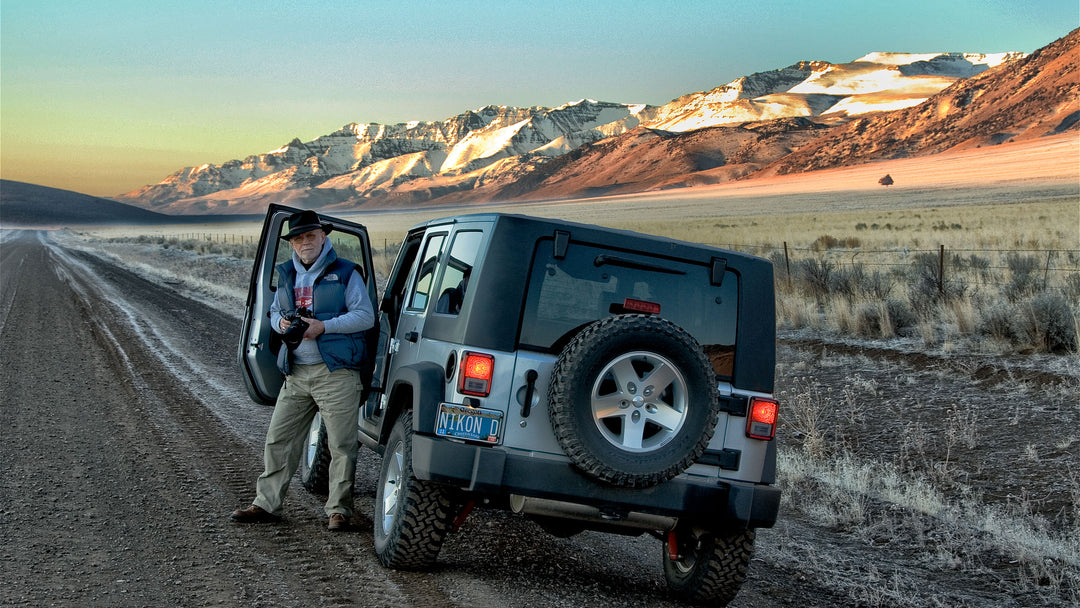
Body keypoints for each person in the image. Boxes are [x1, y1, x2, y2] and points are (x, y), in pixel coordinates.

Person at [231, 210, 374, 531]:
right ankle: (266, 504)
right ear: (292, 244)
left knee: (341, 445)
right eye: (298, 238)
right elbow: (272, 310)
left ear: (324, 237)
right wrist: (279, 322)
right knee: (278, 439)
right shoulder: (285, 274)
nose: (304, 242)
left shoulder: (347, 272)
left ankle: (339, 510)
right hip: (295, 372)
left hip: (336, 372)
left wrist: (324, 326)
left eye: (310, 236)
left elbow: (366, 316)